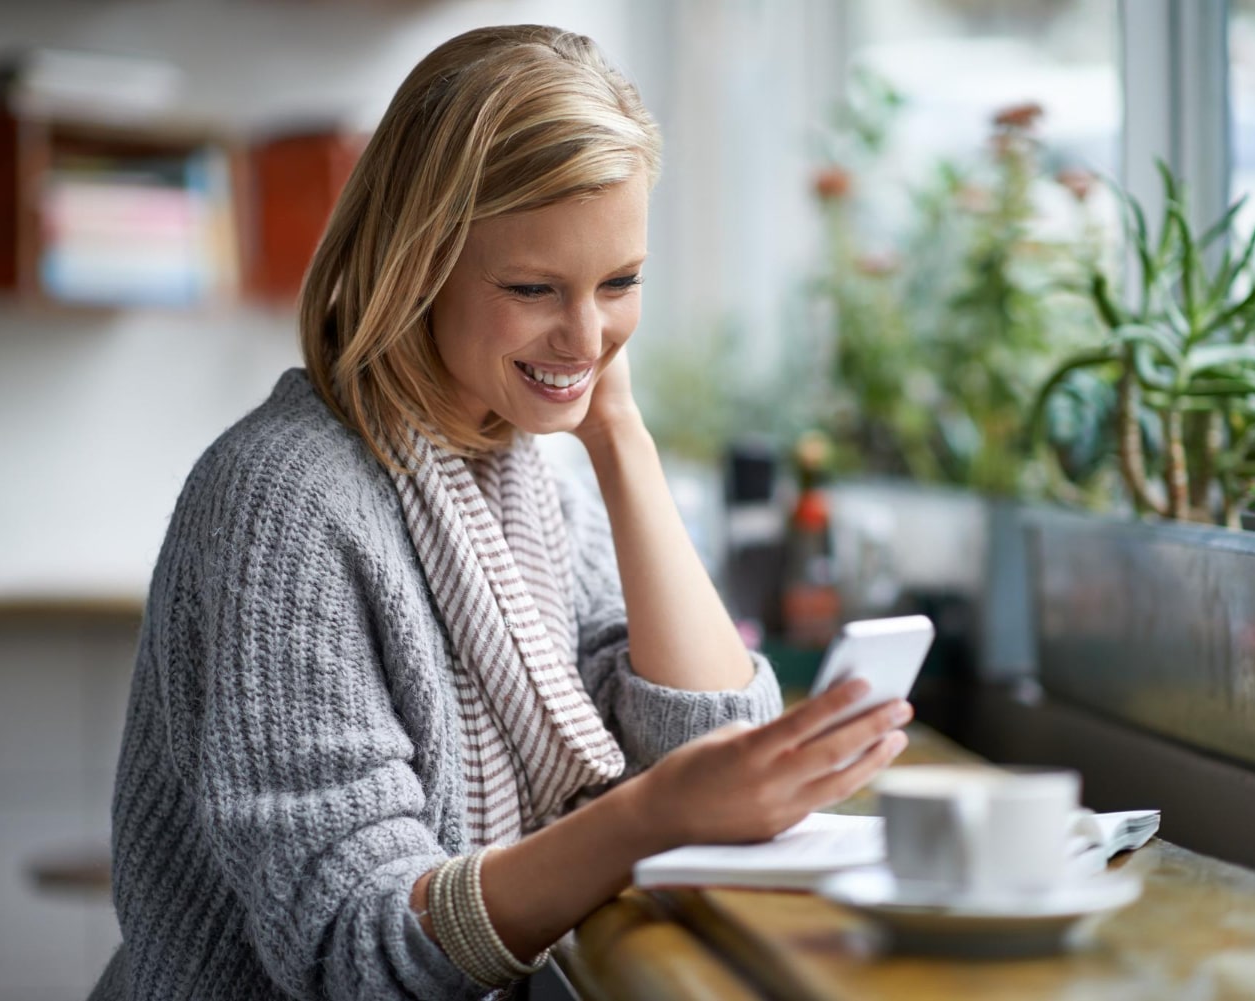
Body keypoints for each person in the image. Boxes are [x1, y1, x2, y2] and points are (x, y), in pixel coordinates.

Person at [89, 23, 912, 1001]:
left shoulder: (531, 471)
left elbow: (700, 754)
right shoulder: (282, 502)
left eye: (621, 282)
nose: (586, 331)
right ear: (418, 262)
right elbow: (355, 948)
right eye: (533, 288)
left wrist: (621, 437)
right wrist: (648, 815)